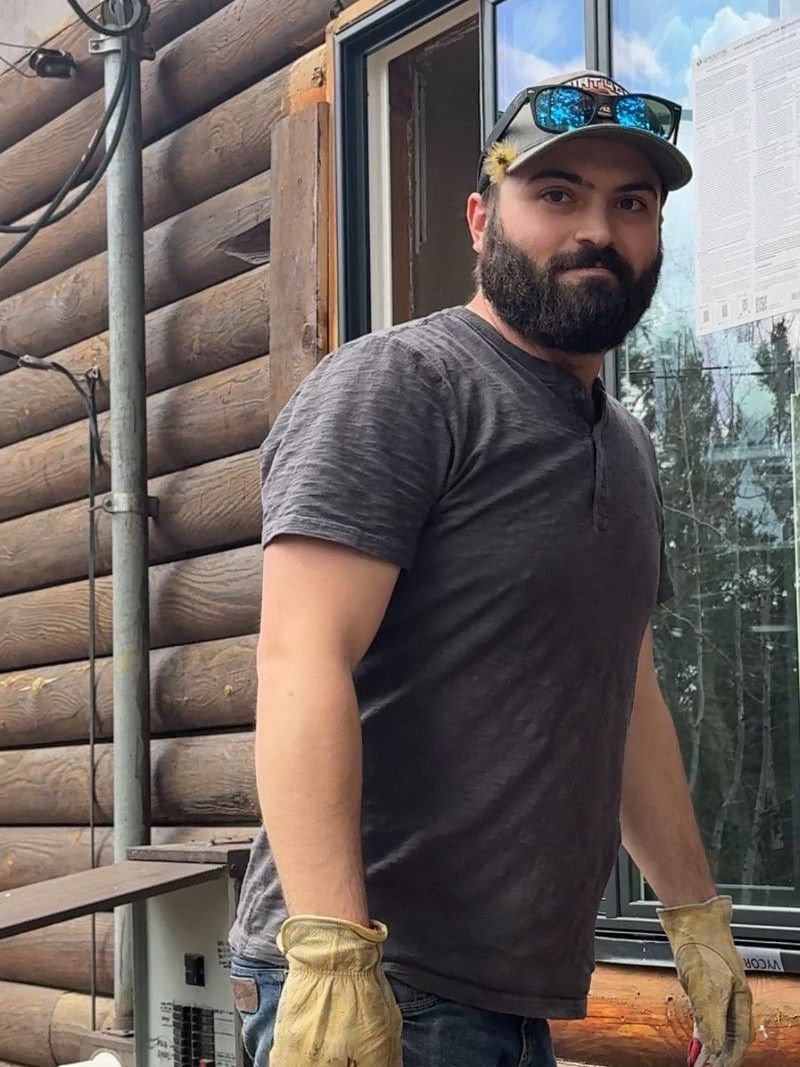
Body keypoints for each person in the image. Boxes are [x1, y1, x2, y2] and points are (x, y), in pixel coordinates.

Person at [228, 69, 754, 1067]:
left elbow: (623, 688)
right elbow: (300, 657)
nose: (595, 228)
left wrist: (693, 916)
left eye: (629, 203)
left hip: (514, 999)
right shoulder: (403, 385)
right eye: (555, 195)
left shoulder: (629, 449)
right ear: (480, 218)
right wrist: (334, 955)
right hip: (378, 983)